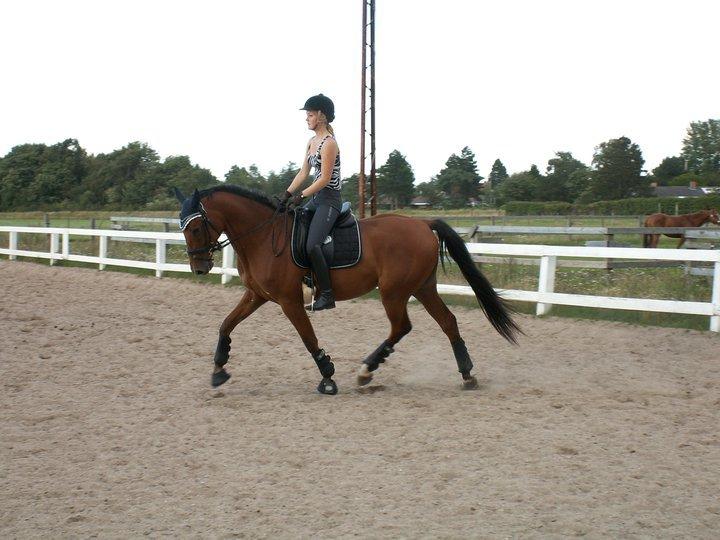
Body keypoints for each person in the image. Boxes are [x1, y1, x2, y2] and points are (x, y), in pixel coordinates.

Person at [281, 94, 343, 311]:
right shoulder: (311, 142)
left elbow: (325, 178)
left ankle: (327, 294)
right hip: (316, 199)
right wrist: (287, 194)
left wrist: (302, 195)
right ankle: (303, 283)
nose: (306, 118)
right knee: (292, 232)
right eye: (307, 114)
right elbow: (303, 172)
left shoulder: (329, 143)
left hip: (329, 200)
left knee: (312, 244)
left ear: (321, 116)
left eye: (310, 114)